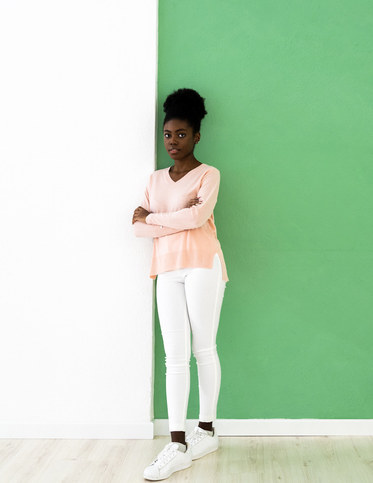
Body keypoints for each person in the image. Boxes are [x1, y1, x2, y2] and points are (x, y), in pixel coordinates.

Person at [132, 88, 228, 481]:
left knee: (203, 348)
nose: (173, 142)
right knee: (175, 356)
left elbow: (195, 218)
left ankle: (206, 430)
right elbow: (137, 228)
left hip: (204, 264)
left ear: (196, 136)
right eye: (168, 134)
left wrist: (155, 220)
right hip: (166, 269)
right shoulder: (154, 180)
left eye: (181, 134)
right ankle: (176, 444)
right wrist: (161, 220)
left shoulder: (209, 174)